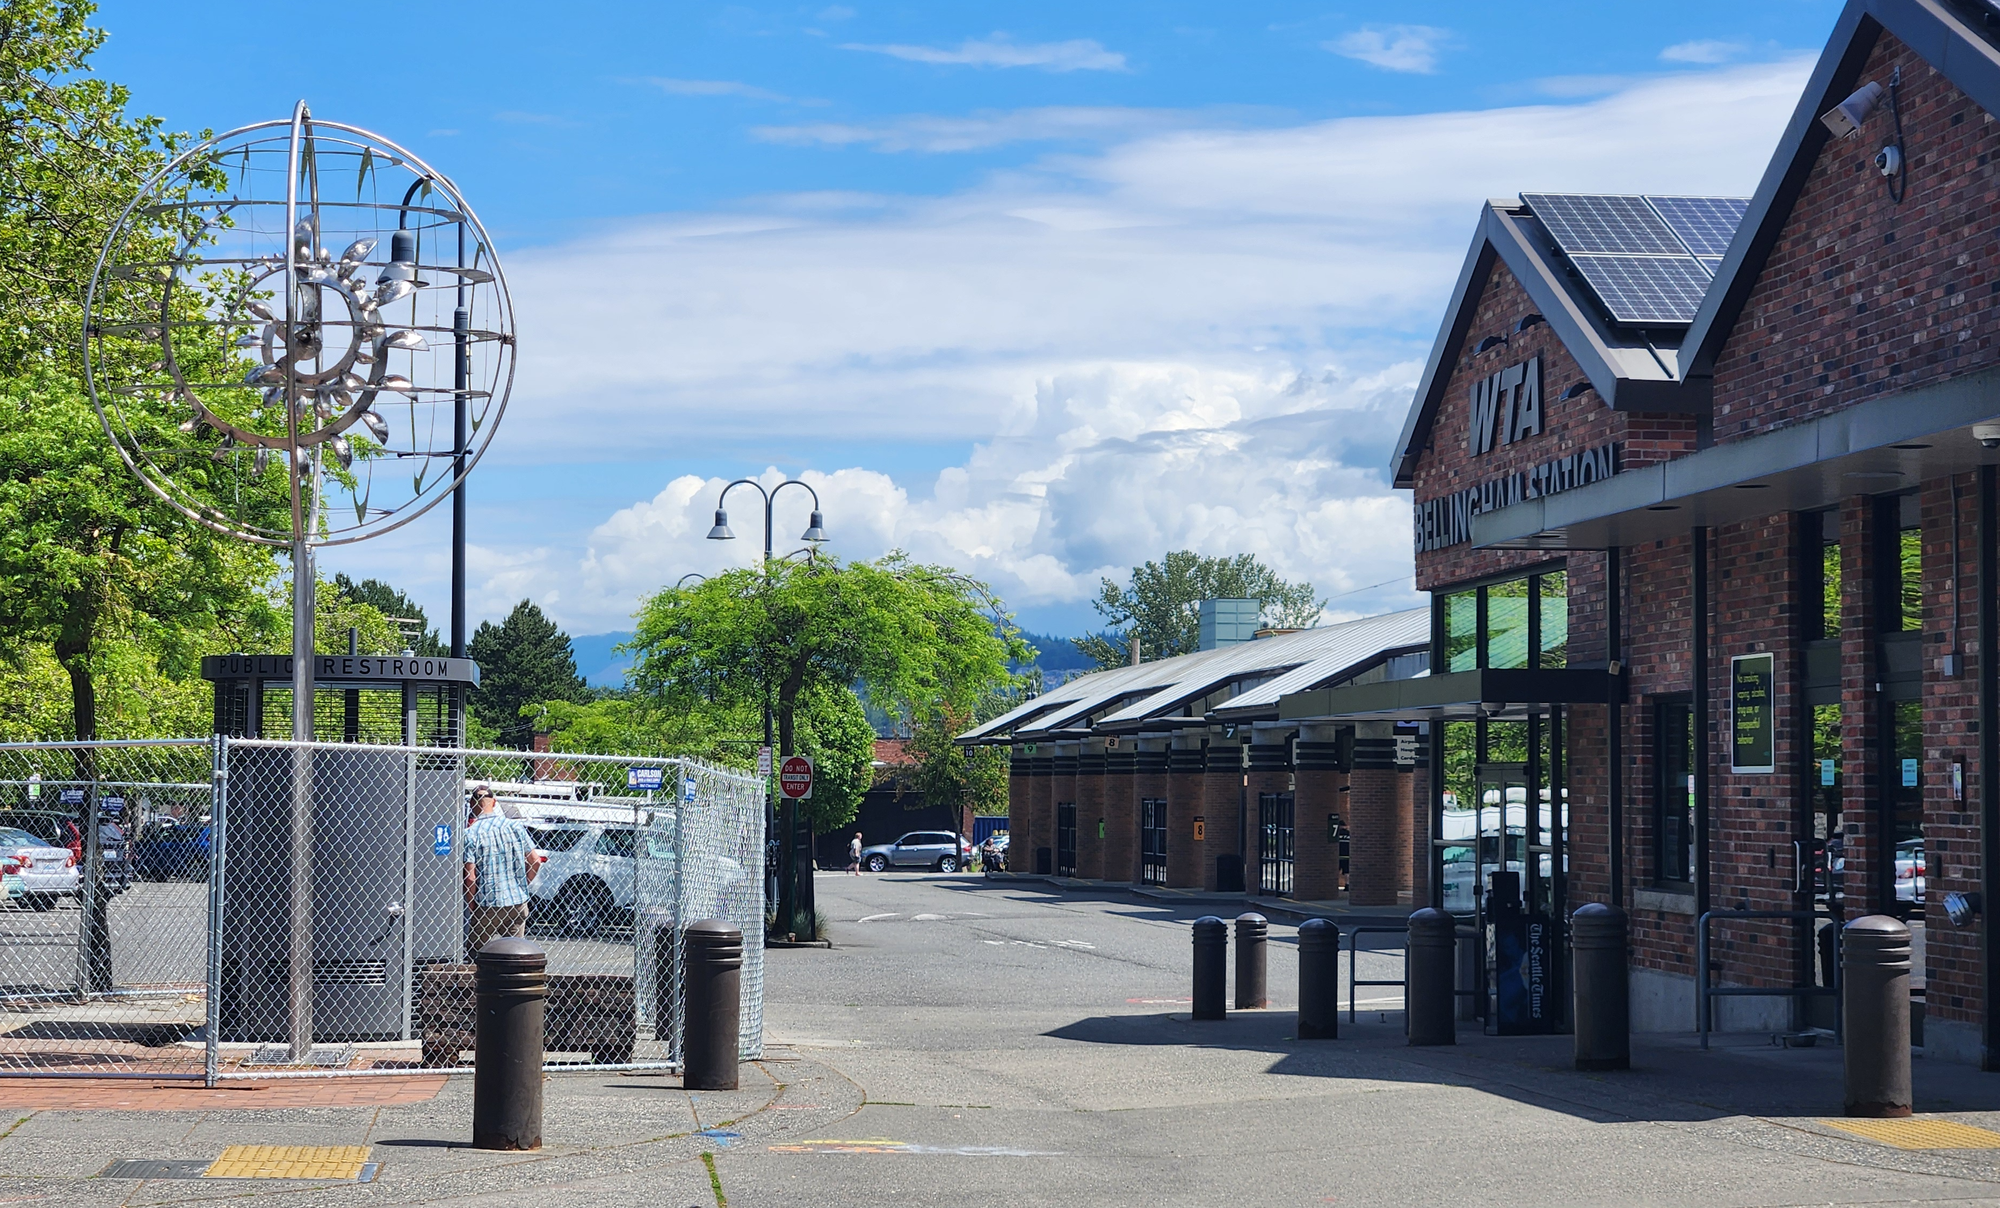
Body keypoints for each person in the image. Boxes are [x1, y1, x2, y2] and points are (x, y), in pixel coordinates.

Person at [462, 785, 542, 956]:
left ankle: (482, 979)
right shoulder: (515, 827)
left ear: (471, 804)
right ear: (495, 802)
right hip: (517, 901)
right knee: (514, 951)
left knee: (476, 950)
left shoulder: (470, 834)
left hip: (488, 902)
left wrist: (471, 904)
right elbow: (535, 861)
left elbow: (470, 877)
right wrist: (523, 884)